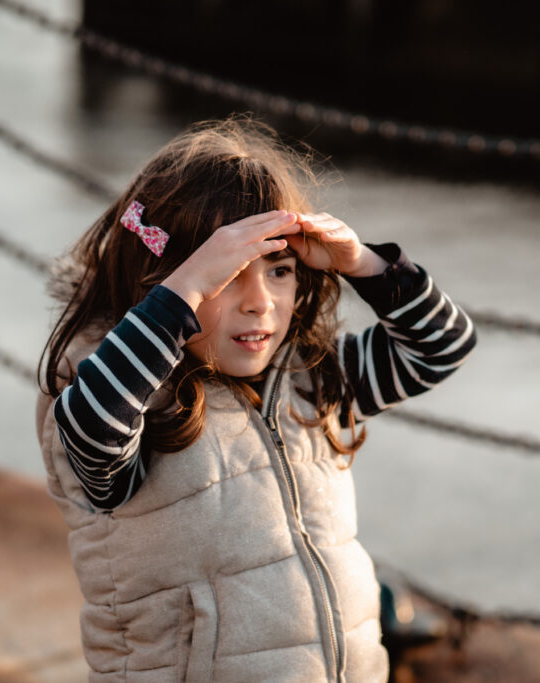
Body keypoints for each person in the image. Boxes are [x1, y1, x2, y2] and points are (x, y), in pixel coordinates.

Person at [36, 117, 475, 682]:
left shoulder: (308, 380)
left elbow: (442, 346)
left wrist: (361, 262)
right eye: (230, 274)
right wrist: (188, 289)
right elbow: (94, 426)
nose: (260, 302)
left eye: (280, 270)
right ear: (165, 283)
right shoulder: (115, 396)